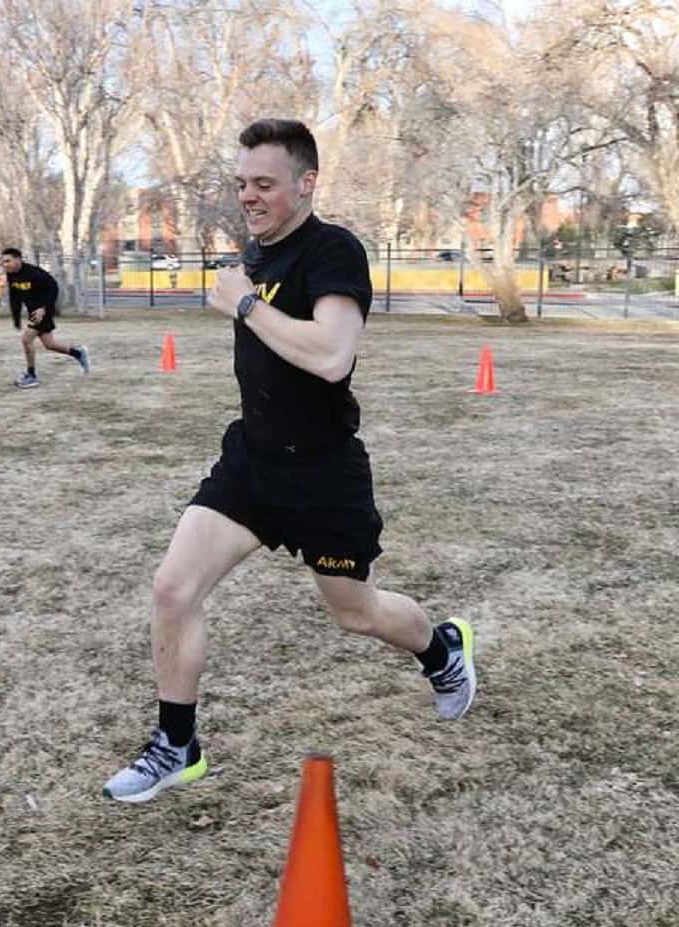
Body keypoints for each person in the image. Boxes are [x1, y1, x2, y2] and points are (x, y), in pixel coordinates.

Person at [102, 119, 478, 804]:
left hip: (323, 475)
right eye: (242, 182)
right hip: (252, 460)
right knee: (173, 589)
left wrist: (242, 301)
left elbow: (333, 356)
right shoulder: (258, 253)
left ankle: (442, 649)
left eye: (264, 183)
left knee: (357, 614)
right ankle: (177, 744)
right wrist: (247, 288)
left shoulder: (332, 251)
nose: (248, 195)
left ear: (306, 183)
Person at [0, 248, 89, 388]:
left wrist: (43, 308)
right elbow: (14, 296)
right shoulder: (11, 275)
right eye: (3, 262)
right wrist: (16, 318)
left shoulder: (34, 273)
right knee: (50, 344)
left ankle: (31, 376)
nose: (5, 264)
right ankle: (78, 353)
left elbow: (53, 287)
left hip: (43, 311)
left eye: (8, 261)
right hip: (34, 312)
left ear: (18, 259)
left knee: (26, 340)